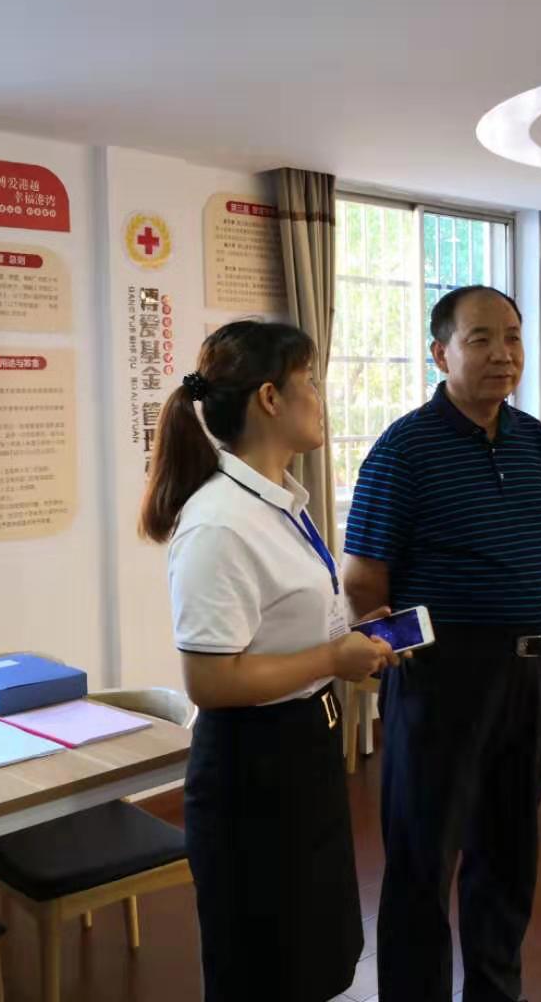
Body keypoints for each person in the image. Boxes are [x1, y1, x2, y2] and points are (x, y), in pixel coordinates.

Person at [141, 320, 396, 1002]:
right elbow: (210, 680)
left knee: (314, 956)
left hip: (304, 748)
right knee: (266, 966)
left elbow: (282, 627)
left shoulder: (279, 502)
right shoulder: (219, 522)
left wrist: (351, 637)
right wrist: (332, 655)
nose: (321, 397)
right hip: (252, 770)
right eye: (310, 381)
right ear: (270, 398)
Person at [343, 285, 541, 1002]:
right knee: (423, 857)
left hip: (533, 671)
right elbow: (362, 579)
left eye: (513, 337)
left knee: (508, 853)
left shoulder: (534, 439)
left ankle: (497, 991)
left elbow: (538, 545)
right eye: (480, 339)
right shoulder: (404, 448)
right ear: (440, 354)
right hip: (444, 677)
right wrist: (403, 661)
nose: (503, 354)